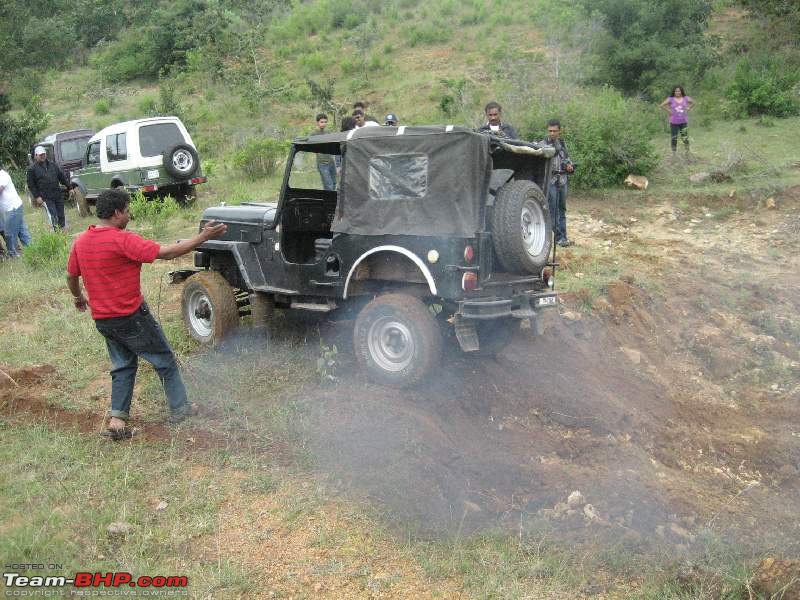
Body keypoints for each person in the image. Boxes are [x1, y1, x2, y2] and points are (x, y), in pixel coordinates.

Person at [66, 188, 227, 439]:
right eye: (127, 211)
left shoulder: (82, 241)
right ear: (117, 212)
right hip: (132, 317)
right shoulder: (123, 240)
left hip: (103, 320)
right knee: (165, 361)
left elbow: (71, 275)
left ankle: (117, 422)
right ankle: (180, 409)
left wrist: (78, 297)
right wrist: (203, 237)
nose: (129, 215)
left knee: (122, 366)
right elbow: (167, 253)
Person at [540, 119, 575, 247]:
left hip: (563, 180)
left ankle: (563, 237)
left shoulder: (562, 143)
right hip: (550, 180)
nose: (552, 133)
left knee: (562, 210)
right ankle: (558, 238)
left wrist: (570, 166)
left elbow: (567, 159)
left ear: (559, 131)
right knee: (552, 210)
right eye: (550, 131)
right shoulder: (542, 144)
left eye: (555, 131)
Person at [27, 146, 69, 230]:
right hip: (46, 197)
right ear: (35, 156)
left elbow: (61, 177)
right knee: (53, 215)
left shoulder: (53, 165)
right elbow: (31, 185)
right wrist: (37, 196)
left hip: (57, 194)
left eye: (44, 154)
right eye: (40, 155)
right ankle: (57, 232)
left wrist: (69, 187)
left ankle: (63, 230)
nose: (42, 156)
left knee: (61, 214)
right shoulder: (32, 169)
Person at [0, 165, 32, 258]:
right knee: (22, 231)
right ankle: (31, 249)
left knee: (10, 233)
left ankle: (13, 255)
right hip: (14, 206)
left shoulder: (2, 175)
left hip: (13, 208)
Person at [659, 86, 695, 157]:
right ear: (674, 92)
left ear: (681, 91)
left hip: (683, 121)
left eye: (679, 91)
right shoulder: (671, 99)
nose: (677, 92)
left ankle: (687, 151)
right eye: (676, 91)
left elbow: (693, 103)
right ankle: (674, 153)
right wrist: (669, 111)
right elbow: (662, 105)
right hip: (674, 122)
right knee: (674, 137)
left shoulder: (686, 98)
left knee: (685, 137)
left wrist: (688, 108)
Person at [310, 113, 337, 191]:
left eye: (325, 122)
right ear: (317, 122)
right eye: (322, 122)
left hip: (331, 162)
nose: (324, 124)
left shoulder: (328, 132)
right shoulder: (313, 134)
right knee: (329, 185)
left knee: (334, 183)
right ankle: (328, 201)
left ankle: (328, 200)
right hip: (322, 164)